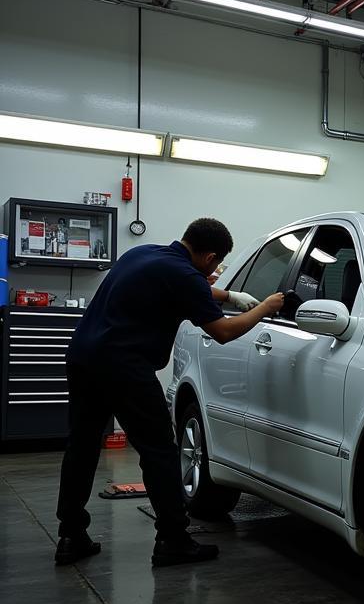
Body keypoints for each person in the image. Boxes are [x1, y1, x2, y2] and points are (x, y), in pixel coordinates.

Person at [54, 218, 284, 567]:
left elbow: (199, 288)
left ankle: (71, 536)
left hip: (83, 357)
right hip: (124, 365)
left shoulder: (143, 254)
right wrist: (265, 308)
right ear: (210, 258)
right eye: (217, 264)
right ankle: (174, 539)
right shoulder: (185, 276)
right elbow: (222, 331)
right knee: (159, 450)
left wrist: (231, 295)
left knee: (82, 447)